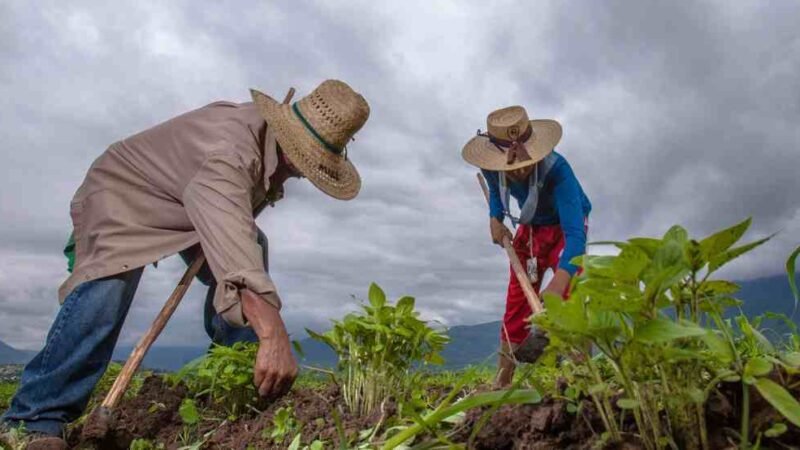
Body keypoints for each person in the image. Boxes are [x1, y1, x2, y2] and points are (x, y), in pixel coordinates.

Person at [1, 80, 370, 449]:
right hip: (122, 193)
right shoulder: (230, 153)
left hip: (185, 200)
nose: (302, 173)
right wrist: (273, 334)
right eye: (305, 163)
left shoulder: (263, 148)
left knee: (254, 247)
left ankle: (232, 388)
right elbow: (237, 256)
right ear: (291, 148)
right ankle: (34, 419)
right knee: (109, 284)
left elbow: (236, 236)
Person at [461, 105, 591, 387]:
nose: (519, 171)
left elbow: (575, 236)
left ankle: (585, 379)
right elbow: (496, 192)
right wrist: (495, 218)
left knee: (572, 293)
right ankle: (502, 380)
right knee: (516, 300)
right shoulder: (491, 166)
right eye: (511, 167)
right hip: (531, 227)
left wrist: (558, 283)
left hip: (564, 228)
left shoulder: (558, 171)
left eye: (524, 163)